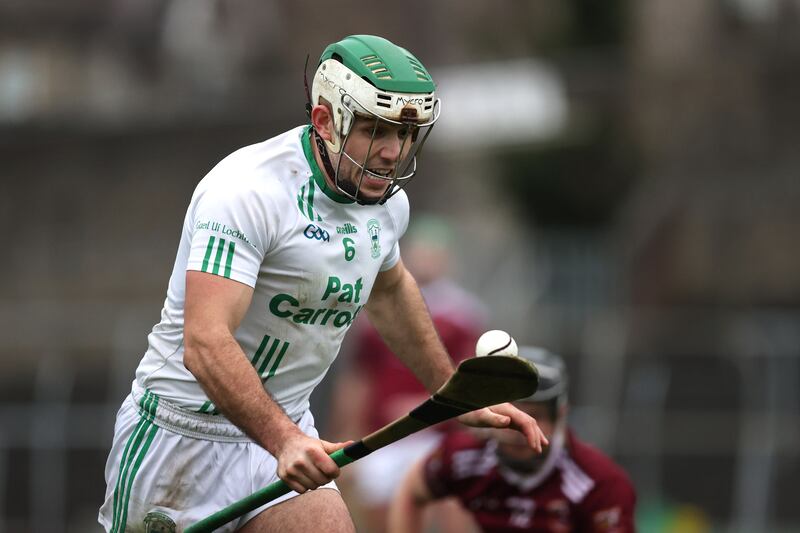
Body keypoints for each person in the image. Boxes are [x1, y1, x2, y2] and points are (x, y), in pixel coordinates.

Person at [98, 34, 548, 533]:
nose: (391, 153)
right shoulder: (246, 192)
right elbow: (204, 342)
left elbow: (390, 289)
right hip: (181, 439)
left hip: (285, 434)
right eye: (375, 131)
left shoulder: (386, 205)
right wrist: (283, 439)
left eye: (405, 134)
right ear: (324, 122)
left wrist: (452, 390)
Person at [329, 215, 488, 532]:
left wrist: (425, 405)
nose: (427, 260)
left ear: (446, 259)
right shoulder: (376, 306)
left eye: (435, 253)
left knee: (448, 511)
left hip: (435, 436)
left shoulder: (464, 313)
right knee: (382, 520)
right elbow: (360, 378)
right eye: (421, 251)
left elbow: (468, 379)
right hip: (383, 435)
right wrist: (344, 432)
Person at [388, 347, 637, 533]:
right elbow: (412, 490)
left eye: (534, 417)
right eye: (509, 415)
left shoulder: (600, 484)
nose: (520, 429)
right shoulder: (464, 456)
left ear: (561, 415)